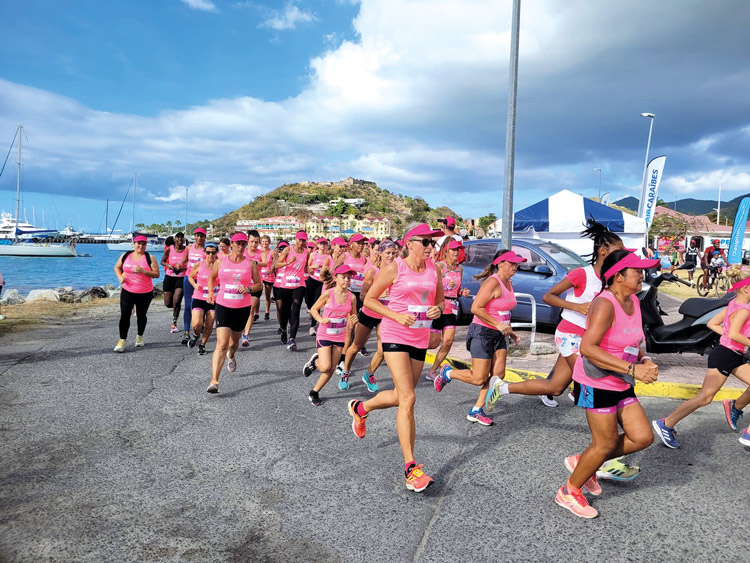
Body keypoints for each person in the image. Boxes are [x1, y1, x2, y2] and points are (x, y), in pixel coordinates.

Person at [553, 249, 659, 519]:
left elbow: (633, 341)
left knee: (643, 436)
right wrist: (632, 368)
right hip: (596, 382)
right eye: (637, 271)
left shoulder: (633, 301)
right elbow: (588, 348)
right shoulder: (604, 304)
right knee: (605, 442)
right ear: (618, 276)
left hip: (621, 379)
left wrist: (644, 360)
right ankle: (569, 490)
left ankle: (586, 462)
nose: (642, 276)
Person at [347, 223, 445, 493]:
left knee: (404, 395)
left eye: (432, 243)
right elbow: (370, 300)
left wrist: (437, 314)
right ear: (410, 243)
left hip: (419, 336)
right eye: (425, 242)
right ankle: (411, 468)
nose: (430, 247)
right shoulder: (394, 269)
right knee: (409, 399)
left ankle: (361, 409)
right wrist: (396, 315)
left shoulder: (434, 270)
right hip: (394, 334)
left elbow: (440, 302)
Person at [653, 275, 750, 448]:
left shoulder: (733, 304)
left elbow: (713, 324)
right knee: (704, 398)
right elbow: (734, 334)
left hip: (732, 354)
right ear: (745, 288)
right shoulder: (743, 310)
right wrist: (734, 339)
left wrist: (729, 338)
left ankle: (736, 408)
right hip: (725, 356)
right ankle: (666, 423)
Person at [434, 250, 523, 426]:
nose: (515, 266)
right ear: (500, 264)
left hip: (499, 335)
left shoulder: (509, 283)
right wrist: (498, 325)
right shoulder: (492, 282)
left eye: (516, 263)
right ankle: (448, 373)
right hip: (482, 332)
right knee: (479, 378)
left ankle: (476, 409)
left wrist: (510, 332)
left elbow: (502, 312)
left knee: (498, 376)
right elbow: (476, 308)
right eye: (512, 263)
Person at [339, 239, 399, 392]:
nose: (391, 256)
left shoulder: (397, 271)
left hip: (385, 315)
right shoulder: (373, 271)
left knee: (383, 350)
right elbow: (363, 296)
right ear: (380, 253)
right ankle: (345, 372)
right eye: (388, 253)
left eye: (393, 253)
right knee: (356, 346)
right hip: (369, 313)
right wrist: (378, 294)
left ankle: (369, 374)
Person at [205, 233, 262, 393]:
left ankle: (232, 355)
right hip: (223, 305)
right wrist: (211, 292)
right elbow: (212, 277)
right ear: (231, 244)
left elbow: (259, 284)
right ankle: (214, 381)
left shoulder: (250, 264)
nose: (241, 246)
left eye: (244, 244)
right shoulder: (220, 261)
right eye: (238, 243)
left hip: (242, 307)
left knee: (233, 343)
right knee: (221, 343)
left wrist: (249, 289)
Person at [303, 265, 358, 406]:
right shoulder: (329, 293)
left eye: (349, 277)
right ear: (336, 278)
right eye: (343, 277)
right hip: (324, 334)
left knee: (332, 368)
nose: (347, 280)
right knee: (325, 366)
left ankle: (314, 391)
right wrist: (321, 319)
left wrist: (355, 319)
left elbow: (353, 315)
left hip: (339, 335)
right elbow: (314, 309)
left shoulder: (352, 297)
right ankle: (315, 362)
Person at [425, 239, 470, 380]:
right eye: (453, 249)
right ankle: (410, 350)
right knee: (432, 343)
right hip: (438, 306)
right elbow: (430, 287)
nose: (456, 252)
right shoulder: (438, 266)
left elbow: (456, 291)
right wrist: (445, 286)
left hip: (451, 309)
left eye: (458, 250)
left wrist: (462, 292)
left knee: (448, 341)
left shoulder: (459, 269)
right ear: (446, 251)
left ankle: (432, 371)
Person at [113, 235, 160, 352]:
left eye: (143, 244)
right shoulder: (125, 256)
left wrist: (143, 271)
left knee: (141, 315)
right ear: (134, 244)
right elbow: (117, 267)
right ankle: (122, 340)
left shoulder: (150, 257)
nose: (141, 246)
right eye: (138, 243)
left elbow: (157, 274)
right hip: (127, 290)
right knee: (124, 315)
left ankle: (139, 336)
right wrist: (119, 277)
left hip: (145, 292)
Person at [336, 233, 371, 357]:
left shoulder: (364, 259)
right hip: (347, 292)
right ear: (352, 244)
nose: (361, 246)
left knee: (358, 321)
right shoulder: (344, 256)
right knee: (349, 325)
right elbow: (334, 271)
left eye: (363, 243)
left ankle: (358, 344)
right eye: (358, 243)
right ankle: (343, 352)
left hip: (359, 293)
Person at [274, 230, 309, 350]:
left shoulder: (306, 252)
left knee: (295, 310)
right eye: (300, 240)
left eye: (304, 240)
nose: (301, 242)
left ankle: (292, 339)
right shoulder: (288, 249)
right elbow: (276, 265)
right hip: (285, 285)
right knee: (285, 310)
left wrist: (311, 270)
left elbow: (305, 267)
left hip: (299, 284)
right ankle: (283, 329)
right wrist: (287, 262)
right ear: (296, 239)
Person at [187, 241, 219, 355]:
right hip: (199, 297)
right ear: (204, 252)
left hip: (213, 299)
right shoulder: (199, 264)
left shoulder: (220, 265)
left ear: (217, 253)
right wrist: (195, 284)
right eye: (208, 252)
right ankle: (195, 335)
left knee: (210, 324)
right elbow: (190, 276)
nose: (211, 255)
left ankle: (202, 345)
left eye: (213, 253)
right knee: (196, 324)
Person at [182, 228, 207, 345]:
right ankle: (186, 333)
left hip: (201, 281)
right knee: (187, 305)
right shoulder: (189, 248)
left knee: (196, 304)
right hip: (188, 278)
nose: (199, 238)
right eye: (197, 235)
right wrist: (177, 264)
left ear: (205, 237)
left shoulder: (206, 251)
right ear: (194, 236)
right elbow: (185, 260)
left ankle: (199, 325)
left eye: (202, 236)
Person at [306, 238, 334, 336]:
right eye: (321, 244)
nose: (322, 246)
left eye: (324, 244)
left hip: (320, 282)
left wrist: (325, 271)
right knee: (308, 300)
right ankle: (309, 309)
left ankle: (312, 326)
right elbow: (307, 267)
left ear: (327, 246)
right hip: (311, 279)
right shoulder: (313, 254)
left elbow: (330, 271)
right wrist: (313, 267)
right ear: (317, 245)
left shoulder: (328, 257)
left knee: (316, 302)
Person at [161, 231, 188, 333]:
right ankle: (176, 307)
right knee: (168, 303)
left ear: (184, 240)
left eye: (182, 238)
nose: (180, 240)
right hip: (169, 276)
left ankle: (174, 323)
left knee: (176, 301)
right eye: (178, 238)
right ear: (175, 239)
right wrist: (168, 265)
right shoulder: (169, 249)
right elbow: (162, 261)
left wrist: (181, 268)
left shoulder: (187, 250)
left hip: (182, 276)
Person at [240, 230, 263, 347]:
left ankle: (246, 335)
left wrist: (255, 263)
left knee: (251, 309)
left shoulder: (260, 252)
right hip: (242, 285)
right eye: (252, 242)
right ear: (247, 242)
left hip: (256, 285)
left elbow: (265, 263)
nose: (254, 244)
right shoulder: (243, 252)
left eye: (256, 242)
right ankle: (238, 329)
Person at [258, 235, 275, 320]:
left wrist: (272, 270)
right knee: (257, 295)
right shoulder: (258, 252)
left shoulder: (272, 252)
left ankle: (267, 311)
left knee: (267, 295)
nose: (264, 243)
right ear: (260, 243)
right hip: (259, 275)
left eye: (266, 241)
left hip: (269, 275)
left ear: (269, 242)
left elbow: (275, 263)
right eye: (263, 241)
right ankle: (256, 313)